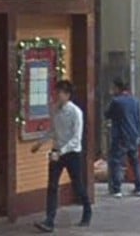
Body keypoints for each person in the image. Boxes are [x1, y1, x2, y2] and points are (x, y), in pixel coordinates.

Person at [32, 80, 91, 233]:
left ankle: (87, 210)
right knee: (52, 185)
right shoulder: (55, 109)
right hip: (56, 151)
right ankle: (49, 220)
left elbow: (76, 138)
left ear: (67, 95)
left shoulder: (76, 112)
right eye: (56, 92)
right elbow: (52, 130)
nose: (57, 95)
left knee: (78, 185)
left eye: (60, 93)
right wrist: (40, 143)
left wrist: (62, 151)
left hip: (72, 153)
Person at [105, 77, 140, 198]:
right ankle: (139, 187)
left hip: (120, 136)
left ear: (117, 88)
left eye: (113, 88)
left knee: (116, 162)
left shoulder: (116, 101)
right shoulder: (135, 101)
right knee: (135, 162)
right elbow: (138, 118)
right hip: (133, 135)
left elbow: (107, 114)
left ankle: (116, 189)